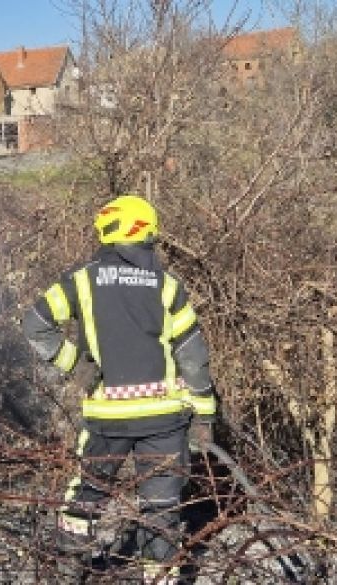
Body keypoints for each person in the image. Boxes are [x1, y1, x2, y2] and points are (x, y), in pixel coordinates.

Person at [21, 194, 217, 582]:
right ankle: (159, 577)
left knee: (86, 498)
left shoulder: (81, 281)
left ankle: (68, 570)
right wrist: (205, 415)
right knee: (160, 509)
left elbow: (36, 325)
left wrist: (74, 363)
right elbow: (193, 356)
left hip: (107, 418)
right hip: (165, 420)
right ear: (147, 233)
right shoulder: (167, 286)